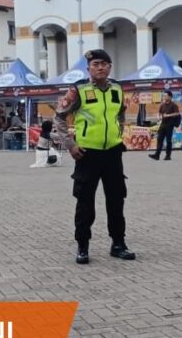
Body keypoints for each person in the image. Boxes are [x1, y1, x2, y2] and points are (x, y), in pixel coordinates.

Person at [53, 48, 135, 264]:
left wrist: (118, 133)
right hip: (87, 154)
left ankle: (118, 244)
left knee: (116, 200)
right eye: (95, 64)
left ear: (110, 67)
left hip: (113, 154)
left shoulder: (117, 88)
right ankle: (83, 246)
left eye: (104, 64)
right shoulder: (78, 90)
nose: (100, 68)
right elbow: (59, 118)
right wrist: (70, 145)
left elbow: (120, 113)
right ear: (88, 68)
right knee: (85, 202)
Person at [149, 90, 181, 161]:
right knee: (159, 139)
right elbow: (159, 113)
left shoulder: (173, 105)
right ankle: (157, 155)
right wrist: (158, 117)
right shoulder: (162, 105)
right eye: (163, 96)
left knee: (168, 140)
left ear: (170, 97)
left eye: (165, 96)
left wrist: (168, 115)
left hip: (170, 125)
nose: (164, 97)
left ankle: (168, 156)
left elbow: (177, 113)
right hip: (162, 124)